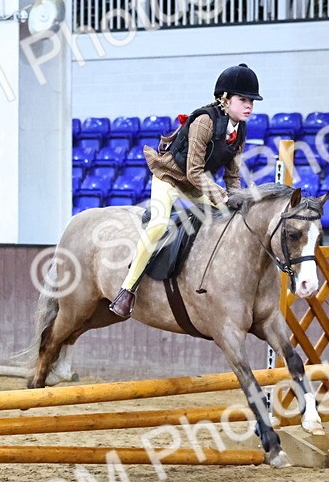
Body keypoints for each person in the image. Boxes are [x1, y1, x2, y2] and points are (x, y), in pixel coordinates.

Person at [109, 63, 260, 318]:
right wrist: (223, 196)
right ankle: (127, 289)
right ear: (225, 99)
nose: (249, 106)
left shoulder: (240, 130)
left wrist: (236, 197)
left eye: (251, 101)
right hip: (170, 179)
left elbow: (232, 175)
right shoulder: (204, 121)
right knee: (158, 226)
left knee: (232, 215)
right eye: (243, 99)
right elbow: (194, 171)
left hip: (195, 185)